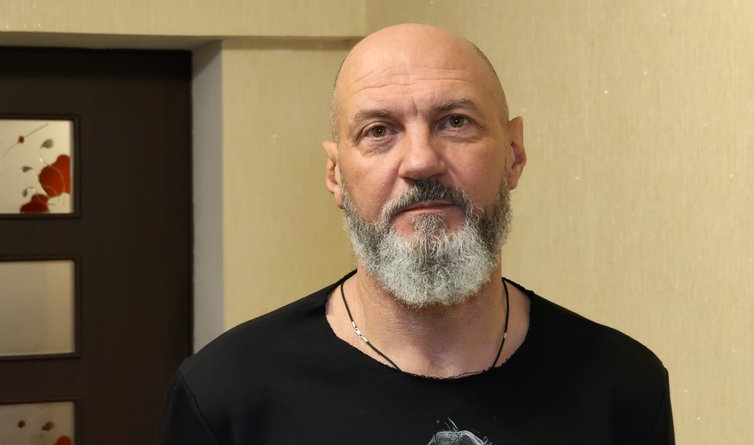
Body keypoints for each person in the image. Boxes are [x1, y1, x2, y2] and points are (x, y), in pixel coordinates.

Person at [157, 23, 674, 444]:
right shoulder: (227, 398)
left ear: (514, 153)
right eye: (379, 131)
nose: (421, 161)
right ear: (336, 176)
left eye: (455, 122)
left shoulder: (621, 387)